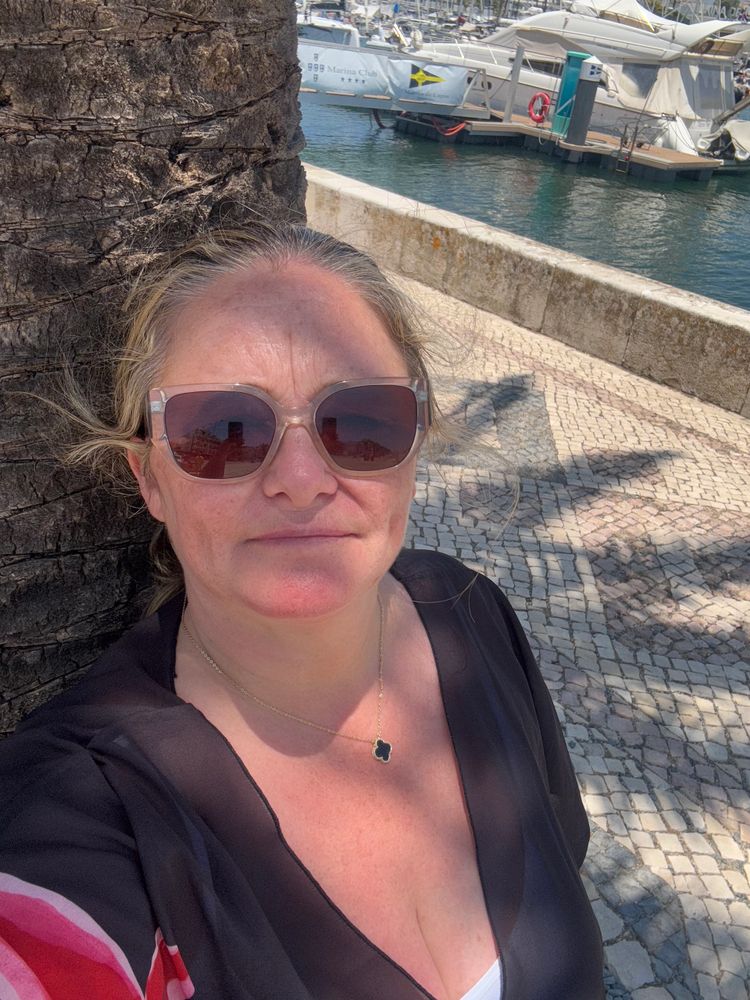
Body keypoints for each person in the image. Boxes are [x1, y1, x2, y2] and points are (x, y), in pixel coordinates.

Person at [0, 224, 604, 999]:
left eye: (359, 421)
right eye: (222, 431)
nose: (300, 479)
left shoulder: (471, 617)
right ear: (150, 477)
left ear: (415, 442)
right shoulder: (81, 818)